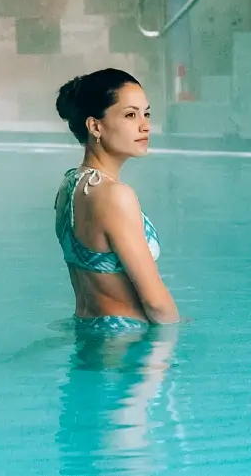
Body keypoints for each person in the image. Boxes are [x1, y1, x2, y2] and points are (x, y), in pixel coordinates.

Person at [54, 68, 180, 330]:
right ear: (95, 126)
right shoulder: (115, 196)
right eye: (130, 115)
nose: (145, 125)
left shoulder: (69, 186)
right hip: (128, 350)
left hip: (89, 335)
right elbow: (156, 304)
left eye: (146, 114)